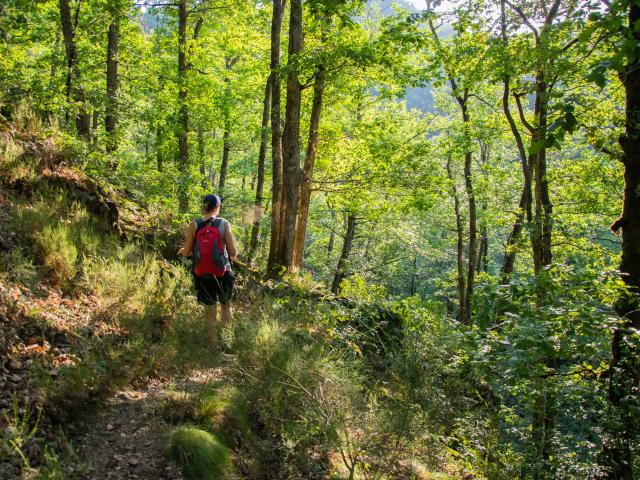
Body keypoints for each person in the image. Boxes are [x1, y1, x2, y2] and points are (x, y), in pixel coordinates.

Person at [178, 194, 238, 348]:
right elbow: (232, 252)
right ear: (217, 207)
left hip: (202, 275)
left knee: (209, 310)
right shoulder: (224, 224)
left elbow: (186, 252)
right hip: (223, 273)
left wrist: (181, 251)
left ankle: (212, 346)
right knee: (226, 306)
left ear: (204, 207)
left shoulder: (194, 224)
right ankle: (228, 343)